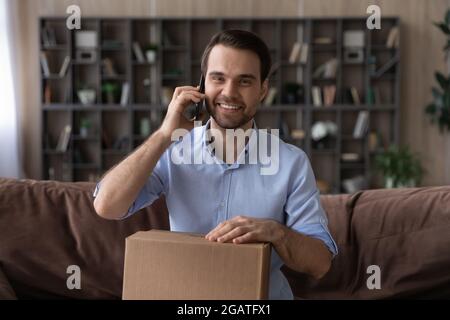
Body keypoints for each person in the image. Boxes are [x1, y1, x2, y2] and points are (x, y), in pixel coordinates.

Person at [93, 29, 338, 300]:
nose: (229, 93)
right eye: (218, 78)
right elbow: (107, 206)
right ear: (201, 86)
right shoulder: (174, 149)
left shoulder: (292, 163)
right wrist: (164, 133)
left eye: (244, 81)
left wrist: (275, 232)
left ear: (263, 90)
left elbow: (320, 264)